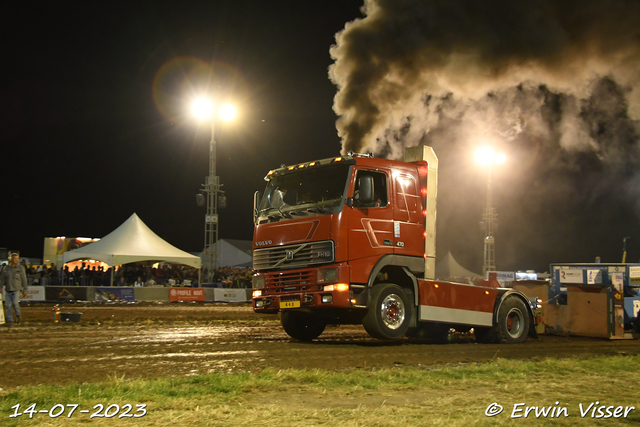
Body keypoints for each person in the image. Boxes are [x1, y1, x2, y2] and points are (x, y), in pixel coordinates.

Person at [0, 253, 29, 325]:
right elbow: (2, 279)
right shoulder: (6, 268)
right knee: (8, 305)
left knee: (16, 304)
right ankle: (10, 320)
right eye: (15, 258)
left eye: (17, 258)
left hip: (16, 289)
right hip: (8, 289)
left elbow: (24, 279)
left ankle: (18, 317)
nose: (16, 260)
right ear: (11, 259)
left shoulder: (20, 268)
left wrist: (25, 289)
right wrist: (0, 287)